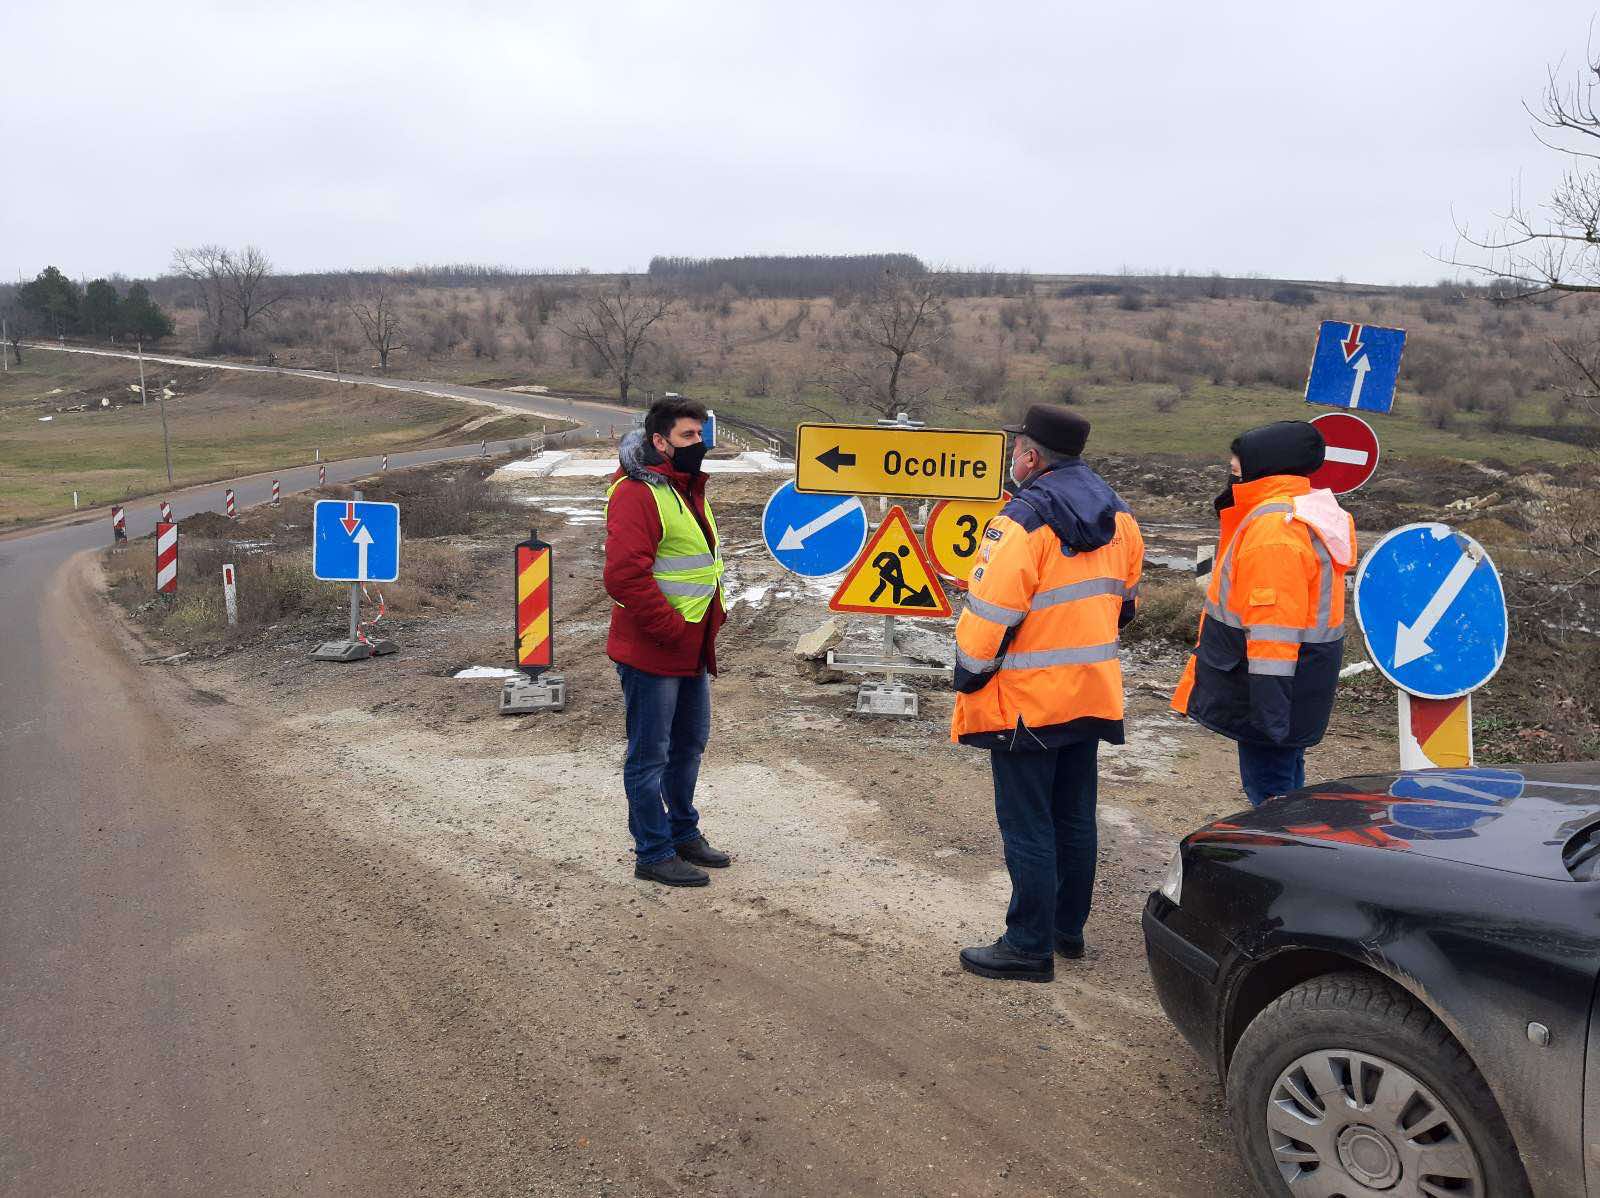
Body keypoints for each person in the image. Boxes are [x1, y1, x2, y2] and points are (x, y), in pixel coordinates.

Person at [951, 405, 1144, 983]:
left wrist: (969, 675)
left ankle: (1027, 946)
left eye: (1017, 449)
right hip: (1090, 693)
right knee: (1074, 817)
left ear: (1031, 457)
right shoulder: (1121, 515)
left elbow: (989, 616)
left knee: (1028, 825)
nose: (1014, 458)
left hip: (1025, 704)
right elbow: (1125, 605)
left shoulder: (1021, 520)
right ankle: (1066, 930)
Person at [1171, 420, 1357, 807]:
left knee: (1271, 799)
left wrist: (1270, 717)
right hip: (1294, 684)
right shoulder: (1296, 511)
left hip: (1272, 690)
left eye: (1238, 465)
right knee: (1284, 785)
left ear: (1265, 465)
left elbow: (1275, 632)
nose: (1232, 472)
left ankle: (1286, 845)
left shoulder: (1274, 531)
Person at [603, 397, 732, 887]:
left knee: (688, 746)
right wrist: (672, 630)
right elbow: (623, 577)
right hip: (654, 649)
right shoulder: (637, 493)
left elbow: (699, 565)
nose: (699, 444)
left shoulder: (686, 487)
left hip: (691, 647)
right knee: (650, 755)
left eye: (700, 435)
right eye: (687, 436)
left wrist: (706, 624)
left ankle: (682, 833)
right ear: (659, 441)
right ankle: (653, 852)